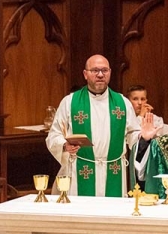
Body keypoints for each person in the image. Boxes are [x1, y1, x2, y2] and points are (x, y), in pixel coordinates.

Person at [46, 55, 160, 197]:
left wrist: (143, 137)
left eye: (104, 70)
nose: (100, 74)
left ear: (110, 73)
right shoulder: (70, 102)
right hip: (81, 169)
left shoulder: (122, 103)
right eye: (95, 70)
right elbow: (53, 135)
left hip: (114, 171)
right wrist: (64, 145)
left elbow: (132, 134)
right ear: (85, 74)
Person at [126, 85, 168, 191]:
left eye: (143, 99)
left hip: (152, 164)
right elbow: (133, 143)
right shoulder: (127, 119)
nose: (140, 103)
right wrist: (140, 117)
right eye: (135, 99)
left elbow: (164, 141)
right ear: (128, 101)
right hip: (133, 165)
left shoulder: (157, 120)